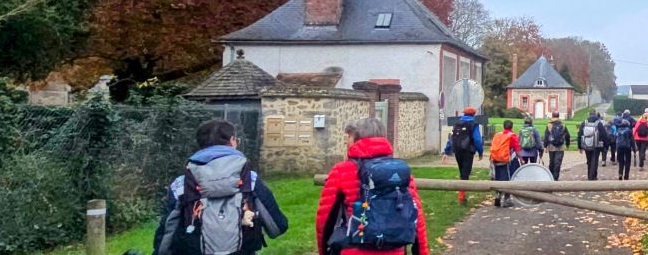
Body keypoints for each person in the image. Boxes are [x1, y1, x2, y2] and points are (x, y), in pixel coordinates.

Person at [154, 121, 288, 255]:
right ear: (232, 141)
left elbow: (167, 232)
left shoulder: (182, 183)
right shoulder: (250, 179)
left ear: (200, 145)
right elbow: (277, 226)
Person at [314, 118, 428, 255]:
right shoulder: (400, 172)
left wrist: (323, 250)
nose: (346, 141)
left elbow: (325, 219)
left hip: (353, 249)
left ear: (357, 137)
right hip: (394, 250)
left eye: (348, 136)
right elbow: (417, 217)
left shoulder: (342, 170)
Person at [441, 107, 484, 205]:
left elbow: (451, 138)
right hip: (468, 151)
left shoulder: (457, 124)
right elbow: (477, 139)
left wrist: (446, 152)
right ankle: (461, 196)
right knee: (466, 172)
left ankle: (462, 194)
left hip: (457, 150)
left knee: (462, 171)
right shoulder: (474, 124)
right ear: (474, 114)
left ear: (464, 114)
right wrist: (480, 152)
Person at [488, 120, 519, 207]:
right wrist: (521, 159)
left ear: (503, 126)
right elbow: (516, 149)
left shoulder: (497, 135)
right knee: (508, 179)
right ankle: (506, 199)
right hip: (506, 160)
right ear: (511, 127)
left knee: (498, 178)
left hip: (496, 160)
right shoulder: (512, 136)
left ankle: (497, 196)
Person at [578, 112, 606, 180]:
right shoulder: (599, 123)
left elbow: (580, 135)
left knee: (589, 160)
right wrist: (604, 145)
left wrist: (580, 146)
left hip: (587, 145)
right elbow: (604, 134)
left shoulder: (584, 123)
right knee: (595, 160)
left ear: (589, 115)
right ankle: (593, 176)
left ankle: (590, 175)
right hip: (596, 145)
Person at [543, 113, 570, 179]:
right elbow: (567, 135)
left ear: (552, 116)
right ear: (558, 116)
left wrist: (545, 146)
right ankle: (556, 177)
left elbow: (546, 136)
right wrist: (567, 144)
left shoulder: (549, 125)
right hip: (560, 147)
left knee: (551, 162)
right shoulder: (563, 124)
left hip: (551, 146)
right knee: (558, 162)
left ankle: (551, 176)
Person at [611, 112, 635, 180]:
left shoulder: (618, 130)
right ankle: (626, 176)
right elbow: (632, 140)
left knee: (621, 161)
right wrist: (634, 149)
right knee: (628, 161)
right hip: (627, 147)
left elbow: (616, 139)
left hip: (619, 147)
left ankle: (620, 173)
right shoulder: (629, 130)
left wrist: (615, 148)